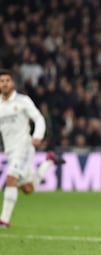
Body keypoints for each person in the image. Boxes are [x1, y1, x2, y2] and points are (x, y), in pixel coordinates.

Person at [0, 69, 65, 228]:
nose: (5, 83)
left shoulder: (23, 101)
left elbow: (38, 118)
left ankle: (4, 220)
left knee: (11, 179)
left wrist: (38, 135)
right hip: (10, 150)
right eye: (1, 81)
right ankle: (48, 162)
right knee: (28, 189)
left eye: (7, 80)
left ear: (13, 83)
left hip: (24, 147)